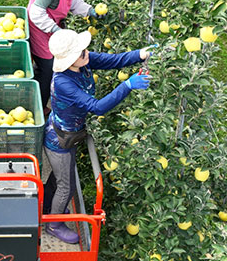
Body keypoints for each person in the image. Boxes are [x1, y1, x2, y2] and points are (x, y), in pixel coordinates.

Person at [42, 29, 152, 244]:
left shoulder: (84, 60)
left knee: (59, 177)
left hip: (69, 134)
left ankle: (48, 207)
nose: (86, 52)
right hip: (59, 140)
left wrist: (140, 54)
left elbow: (113, 60)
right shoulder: (64, 82)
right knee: (67, 186)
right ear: (69, 59)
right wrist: (127, 85)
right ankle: (53, 225)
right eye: (79, 51)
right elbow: (98, 107)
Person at [28, 0, 101, 112]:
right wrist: (55, 30)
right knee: (47, 68)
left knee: (54, 65)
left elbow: (72, 0)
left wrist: (89, 10)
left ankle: (46, 101)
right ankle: (37, 108)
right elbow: (36, 12)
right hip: (40, 28)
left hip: (53, 27)